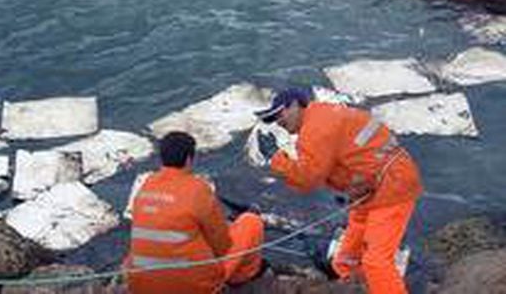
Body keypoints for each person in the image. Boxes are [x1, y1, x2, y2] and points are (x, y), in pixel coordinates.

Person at [255, 87, 422, 294]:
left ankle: (382, 285)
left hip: (391, 189)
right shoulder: (324, 114)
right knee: (345, 259)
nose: (277, 122)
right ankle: (361, 286)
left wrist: (275, 158)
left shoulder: (315, 128)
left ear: (296, 105)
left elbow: (307, 179)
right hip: (369, 190)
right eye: (272, 120)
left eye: (279, 114)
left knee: (376, 261)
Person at [127, 131, 265, 294]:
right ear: (188, 159)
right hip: (194, 287)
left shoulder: (146, 186)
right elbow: (221, 245)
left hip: (142, 286)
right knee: (251, 222)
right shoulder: (197, 188)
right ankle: (241, 279)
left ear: (162, 157)